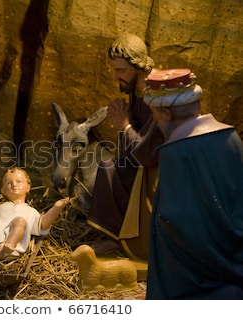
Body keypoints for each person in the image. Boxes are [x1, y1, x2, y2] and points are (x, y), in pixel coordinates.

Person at [144, 69, 243, 299]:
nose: (156, 122)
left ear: (166, 113)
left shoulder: (175, 152)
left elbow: (175, 222)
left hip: (193, 282)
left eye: (155, 115)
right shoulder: (231, 136)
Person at [86, 33, 165, 259]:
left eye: (120, 71)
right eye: (114, 70)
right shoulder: (136, 88)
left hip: (160, 172)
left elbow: (148, 153)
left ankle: (130, 241)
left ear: (138, 67)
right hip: (144, 164)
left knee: (113, 168)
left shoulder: (156, 95)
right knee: (108, 167)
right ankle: (114, 237)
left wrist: (124, 125)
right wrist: (127, 118)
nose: (115, 76)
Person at [0, 167, 69, 261]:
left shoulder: (30, 211)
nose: (14, 185)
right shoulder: (0, 208)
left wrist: (56, 208)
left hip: (16, 247)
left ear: (28, 187)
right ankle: (0, 247)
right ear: (2, 190)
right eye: (8, 183)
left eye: (19, 181)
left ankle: (9, 245)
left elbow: (42, 224)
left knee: (20, 221)